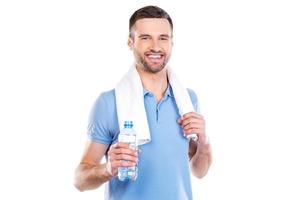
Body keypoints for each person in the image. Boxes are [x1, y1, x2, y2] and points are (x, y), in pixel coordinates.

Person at [74, 5, 212, 200]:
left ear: (172, 43)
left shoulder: (188, 100)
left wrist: (204, 142)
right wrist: (108, 168)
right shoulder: (108, 103)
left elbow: (199, 171)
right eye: (145, 38)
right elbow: (80, 180)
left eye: (163, 38)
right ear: (130, 43)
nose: (156, 46)